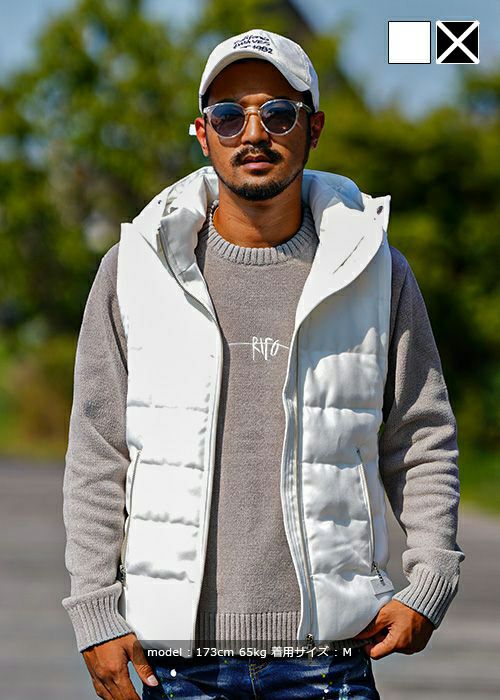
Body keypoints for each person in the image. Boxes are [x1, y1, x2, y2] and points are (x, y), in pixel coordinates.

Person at [61, 28, 465, 700]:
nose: (253, 132)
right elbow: (97, 454)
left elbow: (421, 437)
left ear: (313, 129)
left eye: (278, 113)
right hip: (174, 663)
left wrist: (431, 579)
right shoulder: (135, 270)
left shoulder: (374, 270)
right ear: (202, 133)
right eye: (228, 115)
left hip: (327, 661)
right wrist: (94, 611)